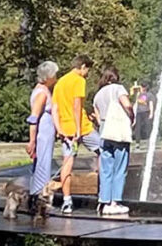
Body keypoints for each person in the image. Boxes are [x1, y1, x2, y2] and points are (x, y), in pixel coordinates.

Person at [19, 61, 62, 219]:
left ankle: (37, 203)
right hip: (42, 135)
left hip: (45, 134)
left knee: (41, 166)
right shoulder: (42, 93)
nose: (56, 78)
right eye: (54, 75)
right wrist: (32, 141)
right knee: (42, 168)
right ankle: (38, 203)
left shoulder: (42, 90)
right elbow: (33, 118)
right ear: (48, 77)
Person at [50, 56, 93, 213]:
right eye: (87, 69)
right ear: (82, 67)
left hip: (65, 129)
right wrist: (78, 129)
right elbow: (76, 105)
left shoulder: (60, 82)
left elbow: (54, 108)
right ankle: (105, 197)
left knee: (67, 163)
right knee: (104, 150)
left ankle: (67, 201)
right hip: (82, 128)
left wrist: (59, 129)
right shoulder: (79, 80)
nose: (88, 73)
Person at [92, 67, 134, 215]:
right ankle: (115, 202)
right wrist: (131, 117)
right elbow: (127, 104)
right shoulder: (118, 88)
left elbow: (97, 116)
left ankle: (103, 201)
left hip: (104, 131)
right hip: (117, 130)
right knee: (120, 166)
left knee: (105, 168)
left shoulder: (98, 94)